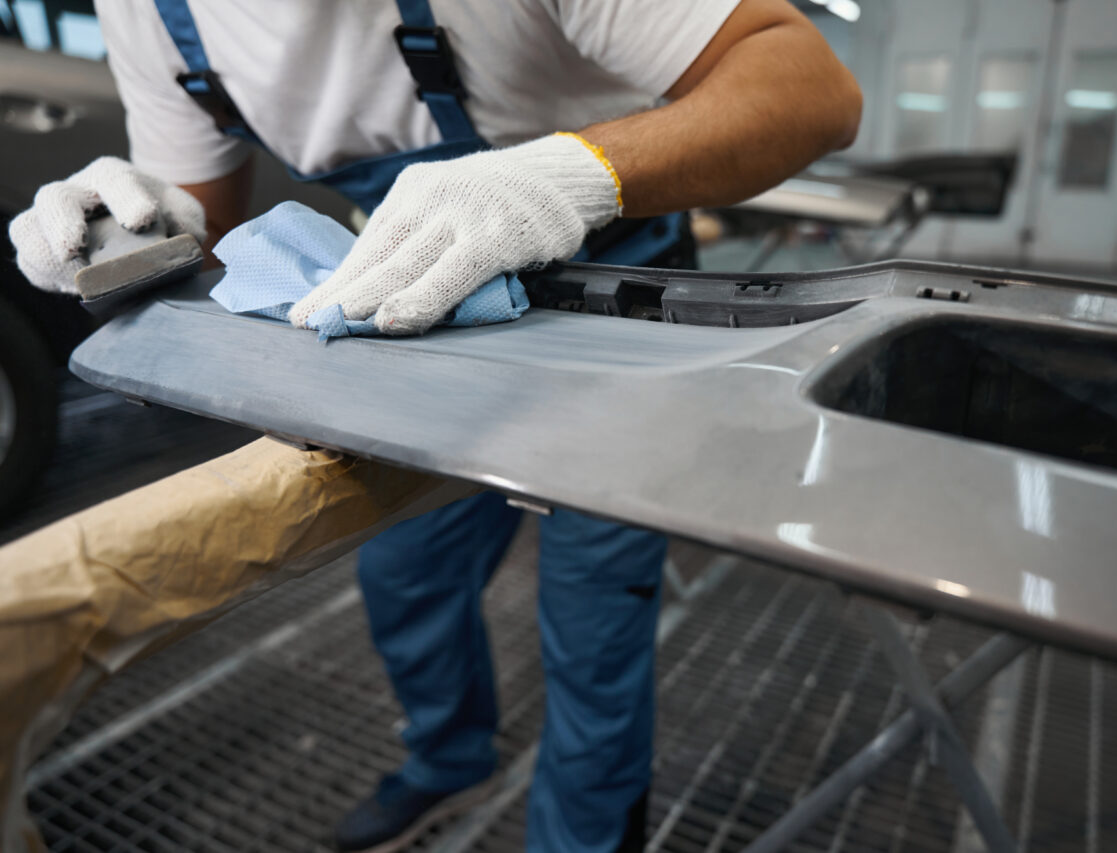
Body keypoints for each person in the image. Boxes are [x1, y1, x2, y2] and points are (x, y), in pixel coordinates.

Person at [9, 1, 861, 850]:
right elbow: (214, 215)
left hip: (615, 311)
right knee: (404, 572)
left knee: (596, 611)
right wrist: (153, 227)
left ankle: (587, 834)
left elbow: (809, 87)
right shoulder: (149, 12)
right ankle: (450, 761)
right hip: (419, 314)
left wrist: (563, 177)